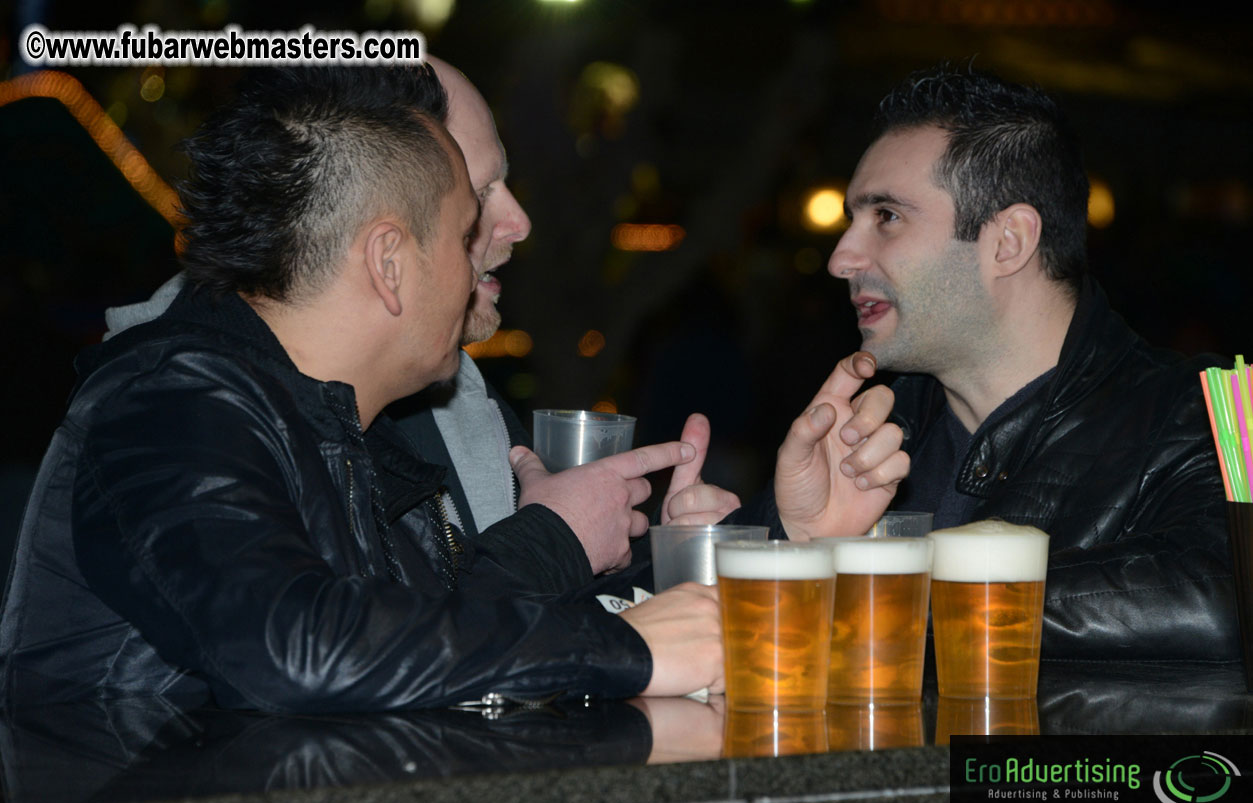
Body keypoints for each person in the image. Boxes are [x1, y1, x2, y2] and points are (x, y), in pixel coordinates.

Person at [0, 65, 905, 713]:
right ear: (391, 262)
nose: (493, 245)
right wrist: (623, 650)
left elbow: (435, 634)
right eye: (468, 221)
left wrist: (783, 544)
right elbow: (291, 646)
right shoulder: (176, 398)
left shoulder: (333, 424)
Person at [102, 57, 740, 584]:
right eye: (475, 200)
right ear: (386, 240)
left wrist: (688, 560)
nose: (516, 223)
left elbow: (499, 633)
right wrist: (550, 543)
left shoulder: (435, 394)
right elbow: (323, 660)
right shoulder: (178, 402)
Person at [827, 63, 1239, 662]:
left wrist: (887, 596)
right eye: (850, 221)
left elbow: (1220, 599)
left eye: (885, 217)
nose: (842, 257)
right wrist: (775, 534)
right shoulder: (865, 431)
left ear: (1009, 242)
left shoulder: (1201, 414)